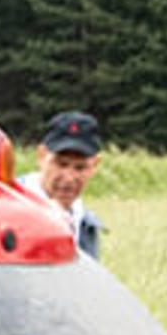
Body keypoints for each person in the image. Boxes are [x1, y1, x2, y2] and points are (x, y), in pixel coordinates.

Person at [21, 111, 107, 259]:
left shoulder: (86, 225)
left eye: (80, 168)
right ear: (41, 156)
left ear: (95, 165)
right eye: (61, 164)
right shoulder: (6, 207)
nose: (69, 178)